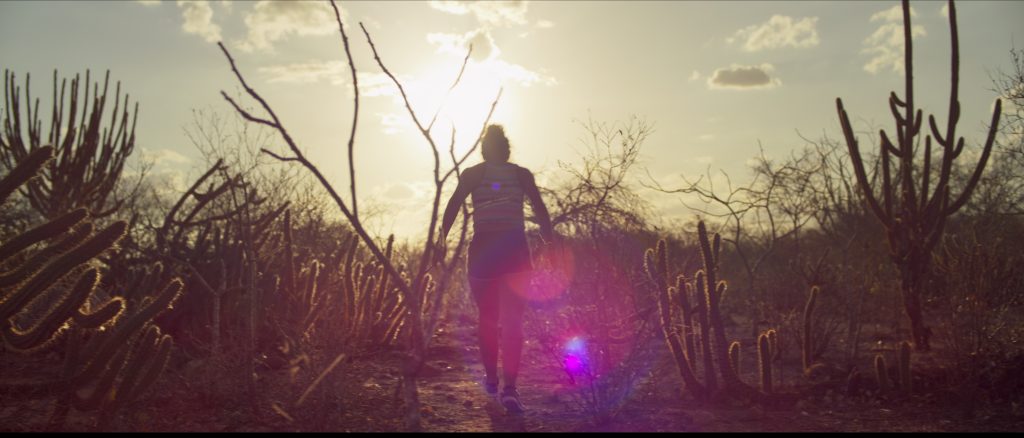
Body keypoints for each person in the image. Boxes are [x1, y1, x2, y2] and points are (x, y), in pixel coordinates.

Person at [438, 124, 554, 414]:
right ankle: (509, 389)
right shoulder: (521, 174)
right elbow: (540, 209)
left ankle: (492, 381)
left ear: (483, 149)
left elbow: (452, 205)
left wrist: (441, 240)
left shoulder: (473, 174)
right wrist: (548, 241)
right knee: (513, 322)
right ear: (507, 147)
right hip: (514, 249)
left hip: (485, 250)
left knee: (488, 319)